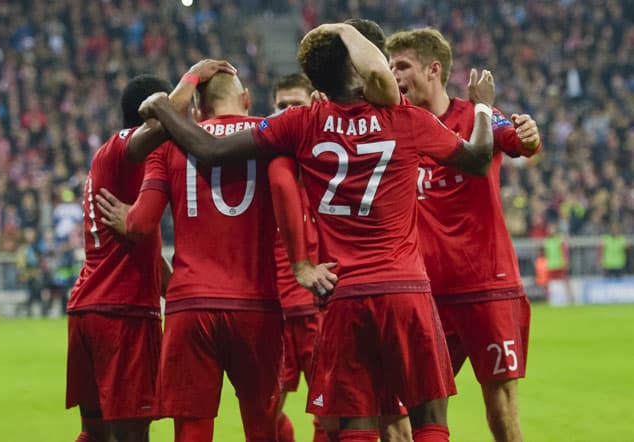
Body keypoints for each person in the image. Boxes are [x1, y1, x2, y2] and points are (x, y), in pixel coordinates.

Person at [137, 22, 496, 441]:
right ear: (359, 70)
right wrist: (483, 108)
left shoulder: (299, 124)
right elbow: (478, 158)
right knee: (429, 420)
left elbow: (209, 150)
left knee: (354, 425)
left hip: (343, 294)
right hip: (405, 290)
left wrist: (164, 105)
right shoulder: (407, 119)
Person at [98, 69, 290, 442]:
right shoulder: (272, 133)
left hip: (190, 307)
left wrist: (128, 217)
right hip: (257, 305)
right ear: (246, 98)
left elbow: (141, 225)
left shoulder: (170, 144)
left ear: (198, 112)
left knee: (191, 429)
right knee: (262, 427)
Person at [386, 28, 542, 442]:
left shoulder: (477, 115)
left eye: (402, 65)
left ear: (433, 69)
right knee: (403, 406)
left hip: (486, 285)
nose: (393, 75)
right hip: (425, 292)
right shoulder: (397, 125)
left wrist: (529, 133)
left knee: (501, 403)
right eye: (389, 66)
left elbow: (519, 141)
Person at [65, 74, 173, 442]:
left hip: (91, 308)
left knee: (94, 434)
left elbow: (149, 256)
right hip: (122, 312)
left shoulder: (124, 173)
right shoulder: (123, 149)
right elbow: (155, 130)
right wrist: (191, 81)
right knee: (131, 435)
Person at [270, 72, 324, 442]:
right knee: (264, 415)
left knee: (331, 417)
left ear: (314, 106)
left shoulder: (330, 165)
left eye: (296, 105)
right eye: (281, 106)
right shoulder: (262, 166)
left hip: (316, 312)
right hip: (271, 316)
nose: (289, 113)